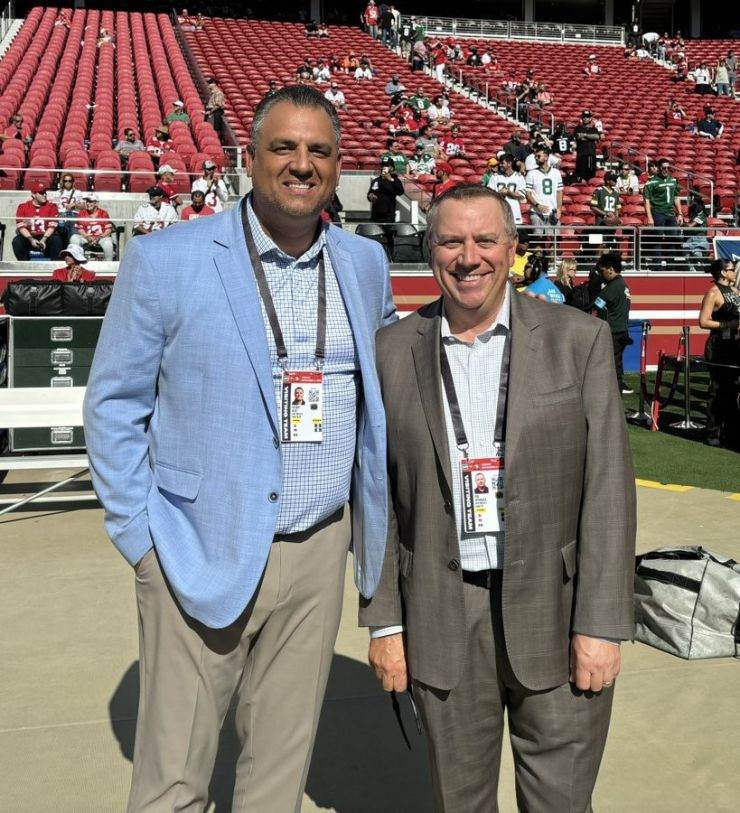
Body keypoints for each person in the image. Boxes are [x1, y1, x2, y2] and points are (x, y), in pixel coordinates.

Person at [83, 85, 396, 812]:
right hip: (197, 545)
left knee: (277, 778)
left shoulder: (364, 264)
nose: (300, 164)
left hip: (320, 549)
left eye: (318, 150)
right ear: (248, 158)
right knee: (173, 781)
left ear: (338, 165)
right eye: (283, 147)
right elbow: (114, 405)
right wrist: (142, 537)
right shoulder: (168, 259)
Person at [361, 184, 636, 813]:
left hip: (559, 613)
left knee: (562, 803)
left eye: (486, 240)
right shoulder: (392, 351)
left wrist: (601, 622)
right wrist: (387, 622)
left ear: (512, 248)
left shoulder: (580, 340)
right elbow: (376, 497)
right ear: (430, 250)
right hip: (440, 615)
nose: (469, 256)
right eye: (451, 240)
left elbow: (609, 493)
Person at [698, 259, 740, 447]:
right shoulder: (713, 292)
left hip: (734, 345)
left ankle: (729, 432)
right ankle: (712, 433)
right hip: (718, 345)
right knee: (717, 389)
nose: (734, 272)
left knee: (732, 390)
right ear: (723, 273)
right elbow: (703, 321)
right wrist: (726, 325)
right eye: (731, 270)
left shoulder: (736, 292)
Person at [592, 252, 633, 394]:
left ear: (610, 269)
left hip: (612, 332)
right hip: (622, 330)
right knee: (617, 364)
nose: (601, 275)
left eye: (602, 271)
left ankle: (612, 395)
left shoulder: (611, 288)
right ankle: (618, 391)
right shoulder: (623, 285)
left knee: (609, 366)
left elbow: (594, 307)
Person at [643, 157, 683, 268]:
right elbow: (646, 200)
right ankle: (657, 265)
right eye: (663, 168)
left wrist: (680, 213)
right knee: (657, 238)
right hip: (658, 213)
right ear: (659, 168)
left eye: (668, 168)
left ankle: (671, 265)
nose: (666, 170)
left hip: (671, 213)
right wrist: (650, 217)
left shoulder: (673, 180)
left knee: (672, 239)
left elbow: (676, 197)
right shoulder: (651, 182)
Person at [13, 183, 63, 260]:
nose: (45, 195)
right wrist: (31, 239)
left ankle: (54, 266)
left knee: (57, 240)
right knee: (17, 241)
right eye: (41, 193)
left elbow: (52, 226)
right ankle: (24, 265)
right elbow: (21, 227)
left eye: (45, 193)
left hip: (46, 236)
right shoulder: (23, 207)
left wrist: (43, 239)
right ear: (33, 195)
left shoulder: (52, 206)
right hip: (29, 236)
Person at [525, 147, 563, 233]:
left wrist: (559, 209)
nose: (536, 158)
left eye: (538, 156)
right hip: (537, 212)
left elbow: (559, 192)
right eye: (535, 156)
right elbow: (528, 194)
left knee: (554, 242)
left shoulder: (556, 173)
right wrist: (538, 205)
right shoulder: (531, 173)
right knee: (538, 241)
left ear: (546, 157)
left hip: (552, 212)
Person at [69, 193, 116, 261]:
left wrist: (100, 237)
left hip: (101, 237)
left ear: (96, 203)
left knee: (108, 243)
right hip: (86, 237)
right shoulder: (82, 213)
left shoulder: (104, 213)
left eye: (90, 201)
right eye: (87, 201)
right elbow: (80, 229)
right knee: (74, 238)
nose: (88, 203)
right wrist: (87, 237)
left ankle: (109, 264)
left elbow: (108, 230)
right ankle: (77, 262)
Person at [487, 153, 526, 225]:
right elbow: (489, 195)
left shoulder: (519, 177)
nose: (500, 165)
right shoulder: (495, 177)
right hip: (498, 212)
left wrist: (509, 192)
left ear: (509, 163)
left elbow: (522, 196)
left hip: (514, 212)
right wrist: (499, 193)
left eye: (502, 163)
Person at [367, 156, 404, 222]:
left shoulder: (395, 180)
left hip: (388, 217)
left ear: (392, 168)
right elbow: (370, 193)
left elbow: (400, 191)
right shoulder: (376, 180)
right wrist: (371, 196)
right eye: (382, 165)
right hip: (375, 216)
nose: (383, 167)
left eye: (386, 165)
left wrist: (391, 180)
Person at [574, 110, 601, 183]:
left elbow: (596, 136)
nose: (586, 118)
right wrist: (590, 137)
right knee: (581, 175)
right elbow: (579, 137)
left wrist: (585, 135)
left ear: (590, 118)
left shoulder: (594, 129)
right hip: (581, 155)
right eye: (584, 117)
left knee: (591, 175)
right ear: (582, 118)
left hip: (591, 154)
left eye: (587, 117)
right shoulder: (578, 128)